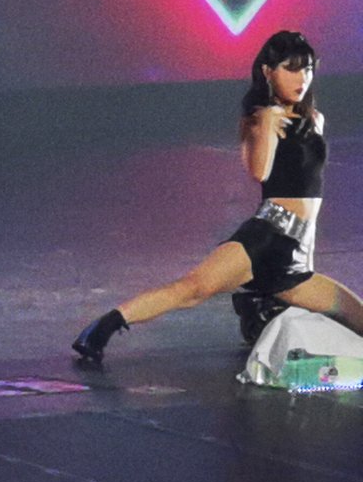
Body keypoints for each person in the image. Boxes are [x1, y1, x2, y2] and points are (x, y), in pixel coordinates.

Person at [73, 31, 363, 362]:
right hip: (266, 238)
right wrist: (267, 126)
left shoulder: (314, 119)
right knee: (193, 289)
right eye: (291, 68)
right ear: (268, 72)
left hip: (296, 255)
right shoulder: (257, 119)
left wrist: (303, 259)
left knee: (356, 315)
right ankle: (102, 328)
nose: (302, 78)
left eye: (307, 69)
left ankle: (259, 303)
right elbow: (259, 172)